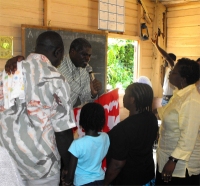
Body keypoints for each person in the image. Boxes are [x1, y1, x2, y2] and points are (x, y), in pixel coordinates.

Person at [0, 31, 76, 186]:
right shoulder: (57, 79)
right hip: (42, 168)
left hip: (8, 163)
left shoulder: (6, 72)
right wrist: (67, 166)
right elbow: (63, 133)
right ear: (58, 52)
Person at [5, 38, 102, 108]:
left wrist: (93, 94)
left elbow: (86, 99)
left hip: (62, 118)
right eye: (84, 55)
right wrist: (18, 61)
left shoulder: (85, 73)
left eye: (89, 56)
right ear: (72, 51)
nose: (87, 59)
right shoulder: (56, 61)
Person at [155, 58, 200, 185]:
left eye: (174, 72)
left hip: (181, 166)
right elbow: (167, 113)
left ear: (183, 78)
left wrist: (172, 160)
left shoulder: (191, 100)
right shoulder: (180, 94)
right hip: (167, 156)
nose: (170, 73)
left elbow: (188, 137)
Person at [104, 83, 158, 185]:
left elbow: (117, 164)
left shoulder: (123, 129)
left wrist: (105, 183)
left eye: (126, 95)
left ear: (132, 99)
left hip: (128, 180)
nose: (123, 97)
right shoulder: (151, 118)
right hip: (147, 176)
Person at [63, 102, 110, 186]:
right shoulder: (105, 137)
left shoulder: (77, 144)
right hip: (100, 180)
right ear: (102, 120)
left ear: (82, 120)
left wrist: (65, 182)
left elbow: (70, 176)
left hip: (82, 182)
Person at [151, 32, 176, 106]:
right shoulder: (168, 69)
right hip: (165, 98)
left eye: (166, 60)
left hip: (170, 99)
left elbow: (167, 57)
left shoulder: (173, 68)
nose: (164, 60)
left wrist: (157, 46)